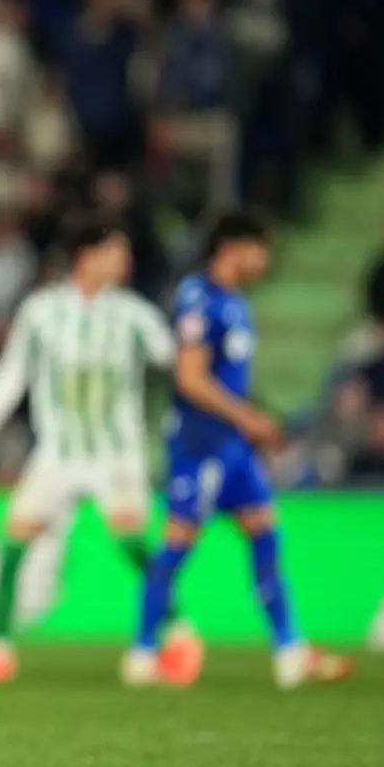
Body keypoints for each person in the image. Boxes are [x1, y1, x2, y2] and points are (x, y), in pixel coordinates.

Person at [127, 213, 351, 689]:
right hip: (199, 446)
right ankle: (142, 653)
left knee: (265, 535)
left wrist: (247, 421)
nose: (265, 260)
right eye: (259, 248)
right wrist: (247, 417)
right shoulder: (198, 298)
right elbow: (189, 378)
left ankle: (289, 650)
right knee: (175, 547)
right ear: (231, 247)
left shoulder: (235, 303)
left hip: (232, 449)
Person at [0, 223, 185, 688]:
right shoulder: (42, 312)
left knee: (133, 546)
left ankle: (178, 631)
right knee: (14, 543)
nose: (125, 261)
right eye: (115, 251)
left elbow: (178, 362)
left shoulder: (135, 315)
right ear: (87, 255)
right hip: (57, 453)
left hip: (116, 453)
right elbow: (13, 371)